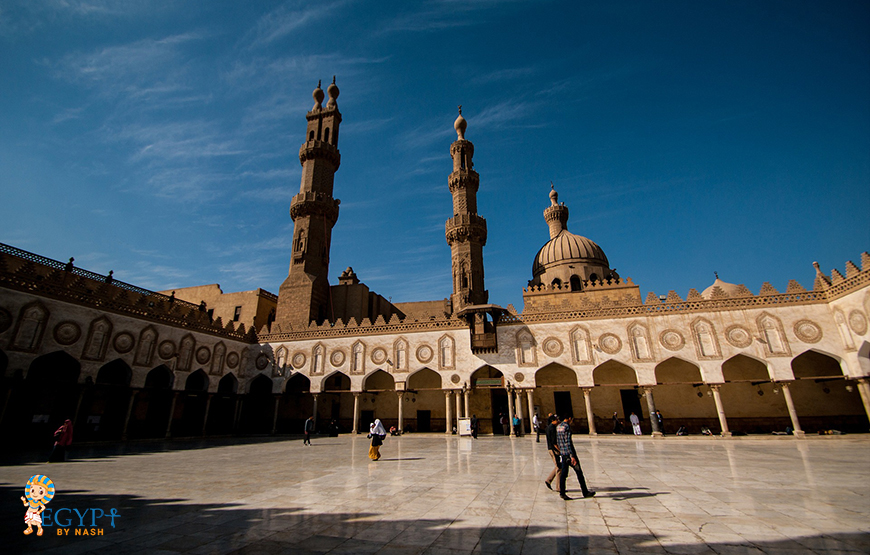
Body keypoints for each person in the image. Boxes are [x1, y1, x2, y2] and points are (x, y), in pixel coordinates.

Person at [557, 415, 595, 500]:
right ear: (569, 418)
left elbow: (559, 441)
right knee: (579, 473)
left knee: (563, 474)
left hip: (563, 454)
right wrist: (572, 456)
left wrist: (562, 452)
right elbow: (568, 442)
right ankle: (585, 492)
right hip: (569, 455)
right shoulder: (567, 427)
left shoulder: (558, 427)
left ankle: (562, 492)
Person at [543, 415, 561, 491]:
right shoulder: (553, 428)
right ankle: (558, 487)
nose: (558, 421)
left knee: (558, 466)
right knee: (559, 468)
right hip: (554, 450)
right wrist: (559, 450)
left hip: (550, 449)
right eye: (557, 420)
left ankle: (548, 480)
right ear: (553, 420)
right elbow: (554, 442)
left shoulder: (548, 427)